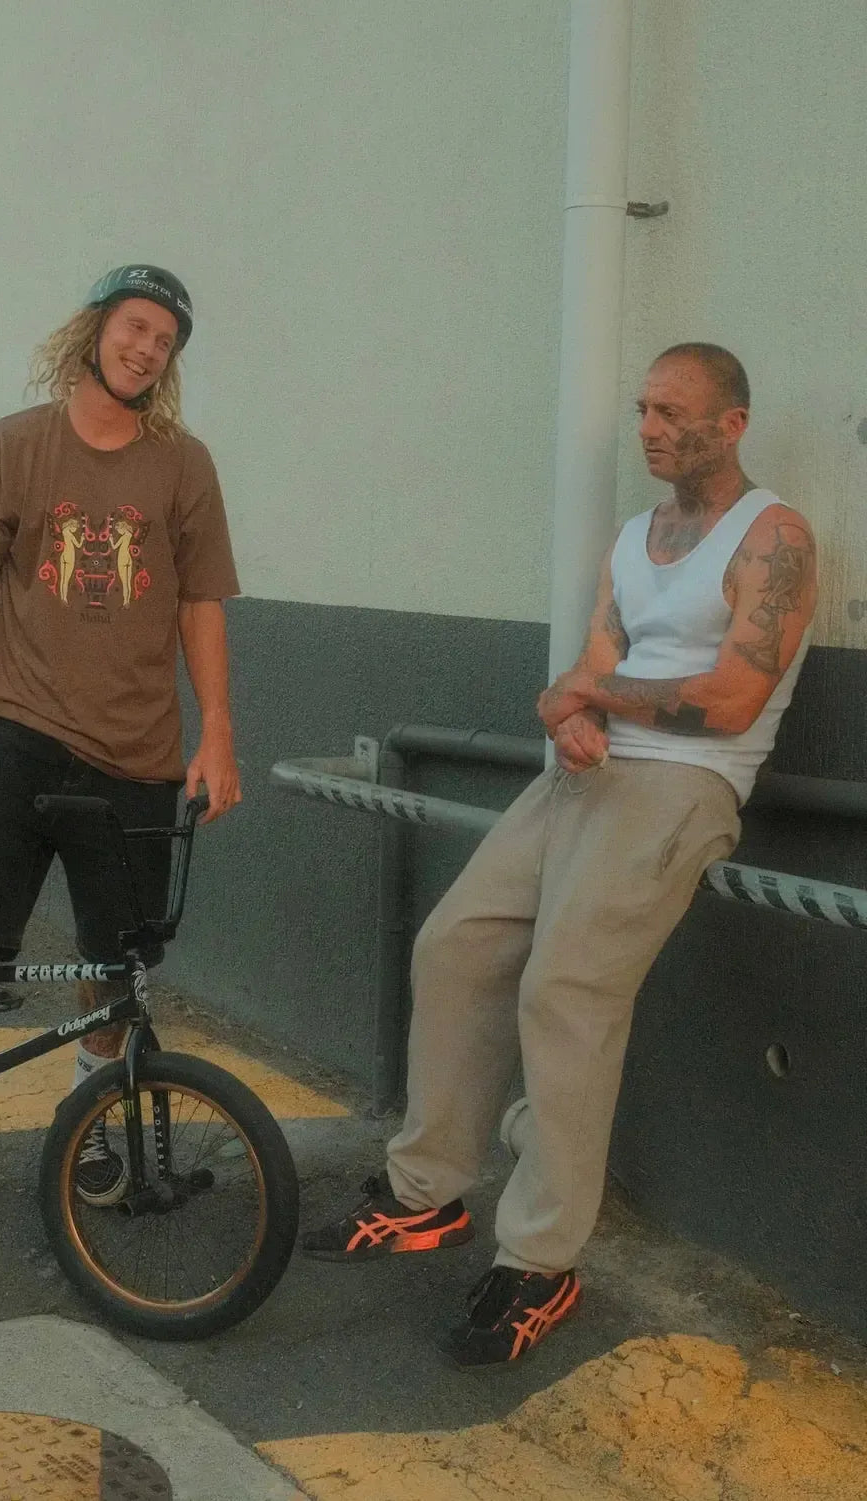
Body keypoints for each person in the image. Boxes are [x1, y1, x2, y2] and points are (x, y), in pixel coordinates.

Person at [303, 343, 817, 1366]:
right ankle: (424, 1193)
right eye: (642, 409)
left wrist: (595, 700)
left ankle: (541, 1261)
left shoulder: (775, 536)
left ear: (733, 422)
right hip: (588, 773)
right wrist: (563, 705)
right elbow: (591, 662)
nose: (650, 429)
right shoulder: (635, 536)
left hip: (684, 785)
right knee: (455, 946)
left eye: (673, 411)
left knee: (565, 991)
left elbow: (731, 700)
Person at [0, 265, 242, 1200]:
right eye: (135, 326)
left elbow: (203, 603)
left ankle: (88, 1122)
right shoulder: (17, 445)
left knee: (118, 963)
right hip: (19, 732)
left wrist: (215, 732)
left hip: (138, 754)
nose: (145, 348)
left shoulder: (184, 463)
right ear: (98, 327)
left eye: (165, 340)